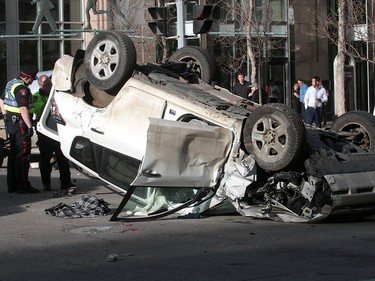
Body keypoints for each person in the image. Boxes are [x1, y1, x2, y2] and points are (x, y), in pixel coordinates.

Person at [34, 75, 76, 191]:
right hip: (45, 132)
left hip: (58, 131)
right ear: (40, 86)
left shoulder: (56, 94)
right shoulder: (37, 97)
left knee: (62, 157)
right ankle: (46, 183)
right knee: (45, 159)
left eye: (49, 83)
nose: (49, 86)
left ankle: (66, 182)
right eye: (46, 85)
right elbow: (39, 110)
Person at [4, 65, 39, 193]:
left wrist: (5, 116)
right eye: (32, 78)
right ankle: (23, 186)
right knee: (23, 155)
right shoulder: (21, 89)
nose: (33, 81)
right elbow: (23, 109)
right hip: (20, 123)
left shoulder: (11, 83)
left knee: (14, 154)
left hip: (11, 122)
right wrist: (30, 127)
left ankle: (12, 185)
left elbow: (1, 100)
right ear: (26, 77)